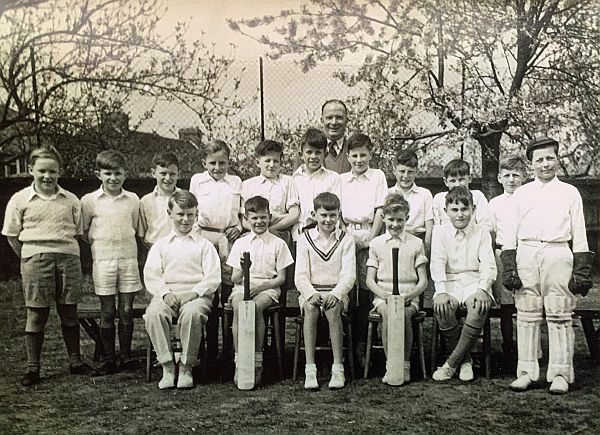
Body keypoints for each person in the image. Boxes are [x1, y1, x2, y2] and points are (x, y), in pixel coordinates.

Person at [502, 136, 594, 394]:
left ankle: (561, 373)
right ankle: (526, 372)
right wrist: (510, 265)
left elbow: (580, 232)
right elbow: (510, 233)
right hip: (528, 252)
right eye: (539, 160)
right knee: (527, 314)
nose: (545, 164)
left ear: (557, 159)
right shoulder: (521, 193)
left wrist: (581, 268)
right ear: (531, 164)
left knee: (560, 313)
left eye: (550, 158)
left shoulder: (569, 192)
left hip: (558, 252)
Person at [2, 147, 93, 386]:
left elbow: (79, 230)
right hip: (35, 259)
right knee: (37, 312)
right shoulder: (20, 199)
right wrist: (30, 257)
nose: (47, 176)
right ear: (31, 170)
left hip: (68, 257)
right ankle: (33, 368)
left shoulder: (71, 199)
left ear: (59, 172)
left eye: (52, 171)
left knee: (69, 311)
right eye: (42, 171)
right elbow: (11, 235)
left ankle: (75, 361)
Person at [143, 190, 221, 389]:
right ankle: (168, 366)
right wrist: (165, 294)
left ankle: (186, 367)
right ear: (170, 213)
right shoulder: (160, 246)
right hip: (167, 293)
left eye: (190, 215)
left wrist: (193, 293)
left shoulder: (205, 245)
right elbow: (152, 275)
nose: (185, 220)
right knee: (154, 314)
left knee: (192, 314)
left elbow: (212, 277)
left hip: (197, 295)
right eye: (180, 214)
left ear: (196, 215)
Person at [81, 150, 143, 375]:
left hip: (128, 260)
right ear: (99, 174)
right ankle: (109, 359)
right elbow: (84, 231)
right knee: (107, 312)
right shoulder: (89, 201)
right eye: (108, 173)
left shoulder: (133, 199)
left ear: (125, 174)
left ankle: (125, 357)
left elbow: (134, 228)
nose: (113, 178)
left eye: (118, 173)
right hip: (103, 261)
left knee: (126, 310)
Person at [226, 196, 294, 387]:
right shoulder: (241, 243)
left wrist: (260, 287)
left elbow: (281, 279)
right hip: (242, 286)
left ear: (270, 217)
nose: (259, 222)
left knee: (255, 308)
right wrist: (242, 270)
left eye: (263, 217)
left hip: (268, 289)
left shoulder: (278, 243)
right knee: (241, 306)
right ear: (247, 220)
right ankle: (241, 362)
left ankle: (256, 362)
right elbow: (233, 279)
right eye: (254, 218)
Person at [431, 186, 496, 382]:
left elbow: (488, 264)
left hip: (474, 281)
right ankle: (465, 361)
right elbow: (437, 263)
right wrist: (441, 291)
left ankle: (451, 364)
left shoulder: (482, 232)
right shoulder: (440, 232)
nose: (460, 215)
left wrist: (483, 289)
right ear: (446, 212)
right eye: (454, 210)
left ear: (473, 209)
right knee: (442, 307)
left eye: (464, 209)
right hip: (450, 282)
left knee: (478, 305)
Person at [295, 192, 356, 390]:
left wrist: (336, 294)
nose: (328, 220)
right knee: (311, 309)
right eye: (323, 215)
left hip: (336, 292)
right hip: (311, 292)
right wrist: (310, 294)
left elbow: (349, 275)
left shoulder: (347, 240)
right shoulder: (304, 239)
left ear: (339, 214)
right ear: (314, 215)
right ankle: (310, 369)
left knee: (333, 309)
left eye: (332, 215)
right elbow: (300, 275)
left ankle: (338, 367)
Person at [366, 193, 428, 384]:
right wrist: (383, 295)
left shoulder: (416, 243)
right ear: (383, 218)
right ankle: (391, 365)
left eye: (400, 220)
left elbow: (423, 281)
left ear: (407, 218)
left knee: (404, 314)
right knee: (388, 312)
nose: (395, 224)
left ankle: (405, 364)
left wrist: (411, 295)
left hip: (409, 295)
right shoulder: (376, 244)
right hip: (383, 296)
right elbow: (369, 280)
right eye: (391, 219)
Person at [189, 139, 243, 362]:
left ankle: (230, 349)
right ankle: (210, 349)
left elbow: (241, 213)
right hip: (205, 237)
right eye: (212, 163)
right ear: (204, 162)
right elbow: (192, 210)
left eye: (222, 163)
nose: (218, 168)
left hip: (228, 239)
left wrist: (238, 227)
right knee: (209, 293)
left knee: (228, 293)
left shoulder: (236, 181)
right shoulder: (197, 181)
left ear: (229, 162)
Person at [340, 133, 387, 367]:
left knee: (367, 287)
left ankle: (364, 344)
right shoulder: (340, 180)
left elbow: (380, 209)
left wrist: (371, 238)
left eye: (363, 155)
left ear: (371, 154)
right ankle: (346, 344)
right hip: (347, 233)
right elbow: (337, 213)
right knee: (349, 287)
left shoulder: (378, 176)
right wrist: (346, 237)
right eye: (355, 155)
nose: (359, 160)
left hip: (371, 233)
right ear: (348, 156)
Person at [489, 154, 528, 365]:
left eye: (516, 175)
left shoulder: (531, 200)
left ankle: (529, 348)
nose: (511, 179)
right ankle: (509, 347)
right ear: (499, 177)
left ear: (524, 176)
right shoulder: (494, 204)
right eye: (507, 175)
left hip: (526, 253)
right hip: (503, 254)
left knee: (526, 302)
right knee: (506, 305)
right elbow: (491, 233)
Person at [241, 139, 299, 246]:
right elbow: (244, 220)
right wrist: (260, 231)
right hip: (254, 230)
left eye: (276, 161)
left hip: (279, 230)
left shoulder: (287, 182)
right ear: (258, 162)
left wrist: (272, 229)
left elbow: (294, 214)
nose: (272, 165)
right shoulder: (247, 185)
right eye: (267, 161)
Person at [292, 128, 341, 241]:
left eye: (318, 152)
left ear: (325, 154)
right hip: (300, 235)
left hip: (327, 234)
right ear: (301, 154)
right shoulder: (294, 179)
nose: (313, 157)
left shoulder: (333, 178)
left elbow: (337, 209)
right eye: (309, 152)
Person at [389, 149, 434, 255]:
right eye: (402, 171)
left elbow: (429, 223)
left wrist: (427, 246)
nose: (405, 176)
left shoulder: (425, 194)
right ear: (394, 171)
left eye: (410, 172)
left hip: (418, 240)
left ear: (416, 172)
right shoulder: (388, 193)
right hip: (393, 240)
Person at [432, 159, 492, 232]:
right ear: (446, 182)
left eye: (461, 180)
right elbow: (436, 226)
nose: (457, 184)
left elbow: (485, 225)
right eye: (453, 181)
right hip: (447, 239)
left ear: (469, 178)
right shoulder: (439, 198)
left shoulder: (477, 196)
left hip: (472, 238)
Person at [138, 152, 181, 249]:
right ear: (153, 173)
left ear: (178, 174)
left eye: (172, 174)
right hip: (154, 249)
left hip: (180, 250)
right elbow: (142, 232)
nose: (168, 178)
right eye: (163, 173)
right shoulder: (145, 201)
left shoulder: (185, 198)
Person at [321, 99, 351, 173]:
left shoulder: (357, 150)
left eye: (339, 117)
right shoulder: (308, 151)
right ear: (322, 120)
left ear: (346, 121)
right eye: (329, 118)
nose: (334, 122)